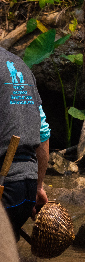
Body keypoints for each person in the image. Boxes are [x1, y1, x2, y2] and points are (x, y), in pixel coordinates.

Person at [1, 46, 50, 240]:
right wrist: (38, 187)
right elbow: (43, 133)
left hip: (4, 187)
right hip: (26, 192)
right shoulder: (21, 65)